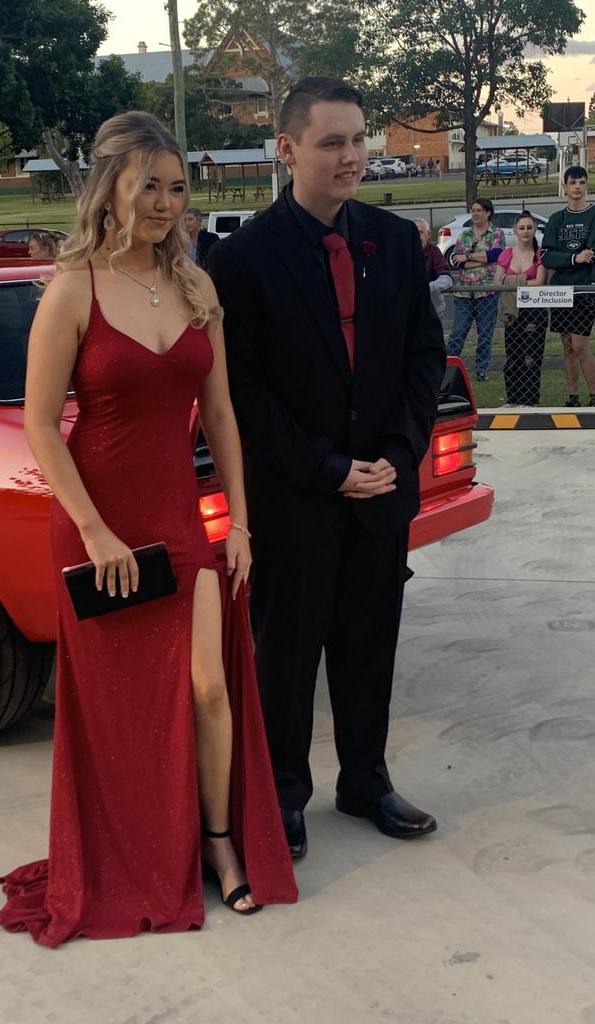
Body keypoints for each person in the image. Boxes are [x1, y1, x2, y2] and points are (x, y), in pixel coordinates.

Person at [0, 111, 297, 947]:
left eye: (176, 188)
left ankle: (219, 844)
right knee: (118, 709)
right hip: (98, 526)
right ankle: (132, 851)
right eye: (149, 186)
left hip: (174, 516)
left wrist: (239, 521)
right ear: (112, 189)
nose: (166, 203)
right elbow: (42, 426)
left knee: (208, 686)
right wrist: (93, 532)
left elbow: (223, 414)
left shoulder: (199, 289)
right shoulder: (73, 288)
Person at [208, 77, 445, 861]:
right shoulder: (243, 260)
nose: (353, 158)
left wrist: (399, 457)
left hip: (381, 493)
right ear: (287, 149)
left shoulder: (393, 240)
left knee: (369, 645)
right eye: (332, 142)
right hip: (297, 499)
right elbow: (244, 392)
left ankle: (365, 781)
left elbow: (422, 357)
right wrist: (329, 467)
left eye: (359, 139)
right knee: (288, 654)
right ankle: (284, 792)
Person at [540, 166, 595, 408]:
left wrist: (571, 257)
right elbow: (546, 257)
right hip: (560, 289)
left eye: (582, 182)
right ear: (565, 186)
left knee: (580, 344)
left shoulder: (593, 215)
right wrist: (573, 258)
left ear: (586, 185)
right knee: (566, 345)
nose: (577, 187)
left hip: (585, 288)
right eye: (573, 182)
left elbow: (591, 254)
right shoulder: (556, 220)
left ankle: (593, 394)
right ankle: (573, 396)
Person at [446, 198, 505, 382]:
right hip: (464, 292)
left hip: (487, 292)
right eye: (473, 210)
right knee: (458, 333)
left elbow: (496, 255)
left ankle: (481, 370)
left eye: (479, 210)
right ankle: (449, 369)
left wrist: (468, 257)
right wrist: (481, 258)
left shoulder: (496, 233)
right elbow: (456, 261)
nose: (475, 213)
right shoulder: (464, 236)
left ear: (488, 212)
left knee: (485, 333)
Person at [494, 212, 548, 406]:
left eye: (529, 228)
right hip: (512, 311)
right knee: (513, 356)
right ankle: (513, 399)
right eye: (522, 228)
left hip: (534, 311)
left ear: (534, 230)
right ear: (515, 230)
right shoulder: (507, 253)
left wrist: (513, 282)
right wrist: (524, 281)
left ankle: (530, 400)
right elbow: (497, 281)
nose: (525, 231)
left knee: (531, 356)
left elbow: (540, 281)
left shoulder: (539, 254)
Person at [415, 218, 452, 321]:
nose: (417, 236)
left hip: (432, 309)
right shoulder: (402, 253)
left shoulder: (434, 252)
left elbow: (446, 277)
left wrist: (429, 288)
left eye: (421, 232)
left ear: (428, 234)